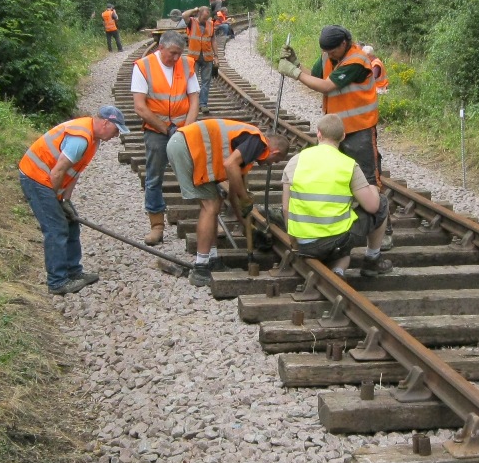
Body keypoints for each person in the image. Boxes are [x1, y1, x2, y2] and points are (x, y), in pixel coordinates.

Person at [19, 107, 130, 295]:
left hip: (47, 178)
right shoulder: (80, 139)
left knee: (71, 223)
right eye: (116, 129)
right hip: (37, 177)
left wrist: (65, 201)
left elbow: (74, 172)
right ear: (105, 123)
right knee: (56, 228)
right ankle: (57, 282)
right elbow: (58, 172)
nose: (116, 134)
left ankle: (74, 272)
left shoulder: (93, 139)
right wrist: (55, 201)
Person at [166, 117, 288, 286]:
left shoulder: (246, 153)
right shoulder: (258, 141)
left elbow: (233, 197)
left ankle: (212, 260)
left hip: (185, 145)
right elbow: (230, 165)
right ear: (275, 153)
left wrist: (250, 228)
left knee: (214, 204)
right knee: (210, 206)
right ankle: (201, 268)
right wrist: (246, 199)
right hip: (187, 146)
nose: (269, 165)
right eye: (274, 162)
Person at [281, 113, 392, 277]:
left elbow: (285, 208)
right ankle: (372, 260)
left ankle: (338, 270)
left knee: (341, 255)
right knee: (381, 202)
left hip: (305, 243)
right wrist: (373, 190)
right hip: (336, 242)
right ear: (343, 136)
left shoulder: (295, 161)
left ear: (318, 133)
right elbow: (372, 206)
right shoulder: (348, 165)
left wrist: (295, 243)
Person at [276, 24, 382, 186]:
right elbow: (314, 77)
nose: (329, 55)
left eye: (332, 51)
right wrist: (296, 64)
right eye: (326, 51)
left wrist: (293, 73)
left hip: (359, 127)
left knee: (366, 176)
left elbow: (326, 86)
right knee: (332, 172)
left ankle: (374, 208)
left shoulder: (356, 61)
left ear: (343, 44)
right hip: (335, 128)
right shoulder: (328, 55)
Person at [130, 29, 199, 246]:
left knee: (197, 173)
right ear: (161, 48)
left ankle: (203, 220)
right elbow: (140, 107)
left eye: (179, 53)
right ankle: (156, 226)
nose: (176, 58)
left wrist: (186, 129)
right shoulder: (143, 67)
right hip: (156, 130)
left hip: (182, 129)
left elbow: (194, 99)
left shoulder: (187, 64)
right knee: (154, 178)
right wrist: (165, 128)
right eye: (172, 53)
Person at [185, 5, 217, 113]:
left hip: (207, 57)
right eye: (204, 17)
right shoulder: (191, 22)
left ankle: (203, 104)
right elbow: (184, 15)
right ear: (199, 14)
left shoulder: (210, 24)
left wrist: (216, 56)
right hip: (194, 58)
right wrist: (194, 9)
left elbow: (213, 40)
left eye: (207, 17)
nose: (205, 19)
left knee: (206, 82)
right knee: (192, 81)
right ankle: (191, 104)